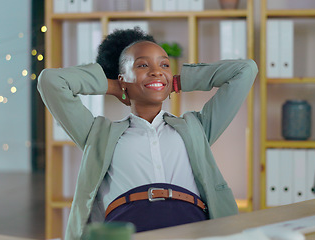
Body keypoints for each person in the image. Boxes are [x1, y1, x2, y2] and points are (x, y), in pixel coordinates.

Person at [38, 27, 258, 240]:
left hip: (191, 225)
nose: (156, 70)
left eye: (164, 64)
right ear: (122, 78)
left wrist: (176, 82)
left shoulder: (196, 128)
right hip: (128, 227)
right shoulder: (98, 134)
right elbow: (51, 81)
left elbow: (245, 70)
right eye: (143, 65)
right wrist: (113, 86)